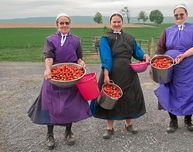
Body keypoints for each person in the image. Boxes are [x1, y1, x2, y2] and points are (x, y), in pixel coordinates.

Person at [27, 13, 92, 149]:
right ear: (57, 24)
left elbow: (79, 58)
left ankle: (68, 132)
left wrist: (81, 63)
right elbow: (49, 57)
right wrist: (48, 70)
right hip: (54, 77)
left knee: (70, 106)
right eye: (61, 23)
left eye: (66, 23)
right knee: (51, 105)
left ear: (70, 24)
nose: (64, 25)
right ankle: (49, 134)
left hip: (71, 78)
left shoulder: (76, 40)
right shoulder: (50, 39)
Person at [90, 12, 150, 139]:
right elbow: (106, 58)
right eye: (114, 22)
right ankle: (109, 128)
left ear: (122, 23)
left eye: (119, 22)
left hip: (129, 73)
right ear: (110, 23)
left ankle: (128, 124)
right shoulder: (105, 38)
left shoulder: (129, 38)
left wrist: (144, 56)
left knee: (129, 97)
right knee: (110, 99)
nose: (116, 24)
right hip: (112, 73)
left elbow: (137, 52)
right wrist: (106, 74)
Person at [154, 3, 193, 133]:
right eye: (176, 14)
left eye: (181, 14)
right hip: (170, 69)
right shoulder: (167, 31)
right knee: (169, 92)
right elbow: (160, 48)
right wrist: (156, 61)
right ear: (173, 16)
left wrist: (184, 55)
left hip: (190, 68)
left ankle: (188, 120)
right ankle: (173, 121)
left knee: (189, 92)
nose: (179, 16)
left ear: (186, 15)